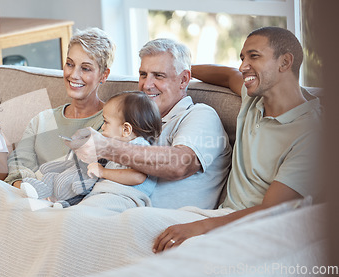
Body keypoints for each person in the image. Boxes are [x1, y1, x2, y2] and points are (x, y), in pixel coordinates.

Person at [152, 26, 322, 252]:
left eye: (254, 57)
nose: (243, 66)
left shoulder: (311, 135)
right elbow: (226, 74)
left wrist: (200, 227)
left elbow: (272, 210)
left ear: (285, 62)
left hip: (259, 232)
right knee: (136, 226)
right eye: (242, 58)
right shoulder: (253, 99)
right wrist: (177, 71)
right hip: (220, 218)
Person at [67, 38, 232, 210]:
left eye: (159, 76)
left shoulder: (199, 115)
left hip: (164, 223)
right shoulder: (132, 121)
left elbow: (180, 164)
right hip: (114, 210)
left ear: (184, 80)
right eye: (143, 75)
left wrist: (106, 147)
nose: (146, 85)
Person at [5, 27, 116, 188]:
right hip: (27, 198)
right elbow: (18, 168)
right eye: (70, 64)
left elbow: (87, 178)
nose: (73, 75)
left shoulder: (110, 124)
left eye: (85, 68)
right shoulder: (40, 121)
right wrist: (29, 192)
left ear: (104, 75)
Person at [22, 91, 162, 207]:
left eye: (106, 122)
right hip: (105, 194)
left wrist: (103, 171)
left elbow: (138, 177)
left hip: (124, 198)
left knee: (88, 210)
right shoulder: (118, 147)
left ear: (126, 129)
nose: (102, 127)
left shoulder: (139, 146)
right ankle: (57, 201)